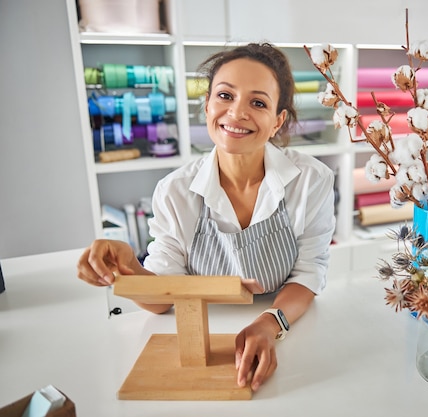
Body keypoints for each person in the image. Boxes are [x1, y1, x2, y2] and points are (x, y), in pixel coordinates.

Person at [76, 43, 336, 392]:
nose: (237, 112)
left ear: (277, 121)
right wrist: (126, 270)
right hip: (199, 328)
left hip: (284, 320)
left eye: (257, 103)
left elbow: (308, 273)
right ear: (208, 105)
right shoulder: (174, 191)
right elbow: (162, 298)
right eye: (225, 95)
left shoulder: (311, 181)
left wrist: (268, 323)